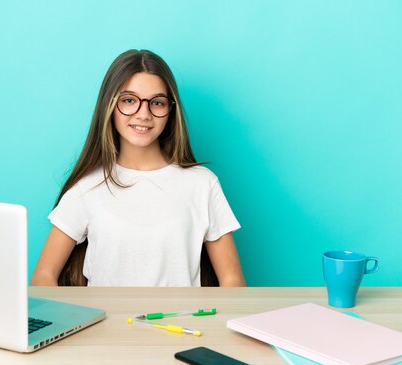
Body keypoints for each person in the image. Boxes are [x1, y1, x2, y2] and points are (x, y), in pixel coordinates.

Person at [31, 49, 246, 287]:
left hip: (181, 323)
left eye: (157, 103)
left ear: (170, 110)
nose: (144, 114)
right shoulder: (88, 186)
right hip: (107, 324)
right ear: (110, 105)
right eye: (129, 100)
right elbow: (43, 276)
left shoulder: (202, 184)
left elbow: (232, 280)